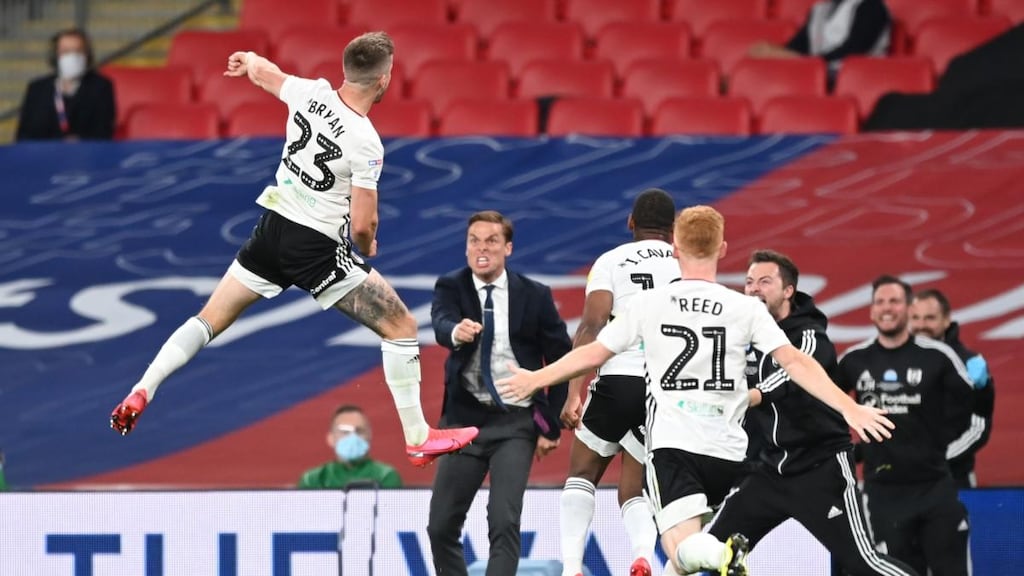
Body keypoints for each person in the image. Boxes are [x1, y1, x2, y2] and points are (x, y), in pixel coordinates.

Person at [109, 32, 479, 467]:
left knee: (207, 320)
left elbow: (269, 75)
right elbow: (363, 222)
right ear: (384, 80)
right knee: (399, 325)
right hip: (316, 245)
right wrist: (366, 246)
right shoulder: (365, 140)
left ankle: (143, 388)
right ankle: (418, 437)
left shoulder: (312, 93)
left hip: (272, 230)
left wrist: (247, 60)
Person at [499, 206, 894, 576]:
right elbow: (796, 362)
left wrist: (536, 379)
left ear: (675, 249)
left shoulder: (650, 304)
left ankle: (723, 553)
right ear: (722, 248)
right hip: (731, 452)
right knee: (683, 567)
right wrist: (849, 408)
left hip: (676, 448)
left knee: (679, 550)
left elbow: (593, 352)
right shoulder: (746, 308)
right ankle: (720, 552)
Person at [704, 250, 916, 576]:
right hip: (765, 472)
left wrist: (750, 395)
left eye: (765, 282)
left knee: (864, 565)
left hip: (820, 469)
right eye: (748, 282)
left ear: (788, 291)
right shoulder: (738, 338)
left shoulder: (808, 337)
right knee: (707, 554)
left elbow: (788, 375)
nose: (754, 289)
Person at [427, 210, 572, 576]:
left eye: (491, 240)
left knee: (504, 521)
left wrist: (549, 425)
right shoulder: (451, 286)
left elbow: (561, 360)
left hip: (516, 422)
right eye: (474, 240)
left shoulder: (535, 295)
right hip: (463, 424)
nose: (481, 248)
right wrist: (455, 332)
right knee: (441, 526)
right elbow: (441, 321)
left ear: (507, 247)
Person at [559, 189, 679, 576]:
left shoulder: (610, 261)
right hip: (661, 390)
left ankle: (572, 566)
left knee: (582, 474)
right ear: (673, 229)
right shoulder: (684, 265)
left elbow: (592, 326)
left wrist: (573, 393)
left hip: (618, 379)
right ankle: (643, 555)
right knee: (634, 488)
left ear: (631, 223)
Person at [836, 276, 974, 576]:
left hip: (935, 488)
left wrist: (942, 452)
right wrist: (850, 453)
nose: (887, 308)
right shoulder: (854, 360)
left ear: (909, 308)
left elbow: (971, 409)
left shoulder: (938, 356)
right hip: (881, 493)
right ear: (871, 311)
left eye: (895, 301)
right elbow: (824, 407)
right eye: (880, 302)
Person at [910, 288, 994, 489]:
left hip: (953, 479)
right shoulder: (890, 360)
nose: (921, 325)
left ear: (946, 320)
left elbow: (979, 428)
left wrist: (936, 461)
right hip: (897, 483)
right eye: (915, 317)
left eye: (930, 318)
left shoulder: (970, 365)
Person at [748, 0, 891, 81]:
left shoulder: (872, 6)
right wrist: (773, 52)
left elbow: (853, 50)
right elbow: (798, 46)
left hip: (853, 78)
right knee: (761, 72)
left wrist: (801, 60)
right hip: (815, 72)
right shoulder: (819, 9)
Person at [16, 27, 115, 141]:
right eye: (66, 51)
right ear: (55, 55)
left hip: (85, 154)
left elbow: (103, 131)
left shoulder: (101, 87)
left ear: (87, 55)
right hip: (42, 155)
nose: (72, 56)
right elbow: (24, 135)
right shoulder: (37, 89)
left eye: (78, 51)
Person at [298, 404, 401, 489]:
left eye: (359, 431)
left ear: (369, 436)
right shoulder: (313, 479)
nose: (353, 437)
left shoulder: (386, 476)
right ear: (331, 439)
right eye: (345, 432)